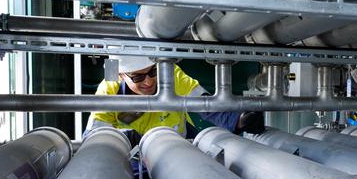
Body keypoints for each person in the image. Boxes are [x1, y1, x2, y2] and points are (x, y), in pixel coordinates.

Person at [84, 55, 264, 143]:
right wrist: (127, 138)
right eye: (137, 77)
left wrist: (239, 120)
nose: (148, 81)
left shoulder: (170, 74)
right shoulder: (109, 88)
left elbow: (204, 103)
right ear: (121, 76)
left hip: (177, 147)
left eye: (152, 71)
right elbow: (95, 135)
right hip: (132, 158)